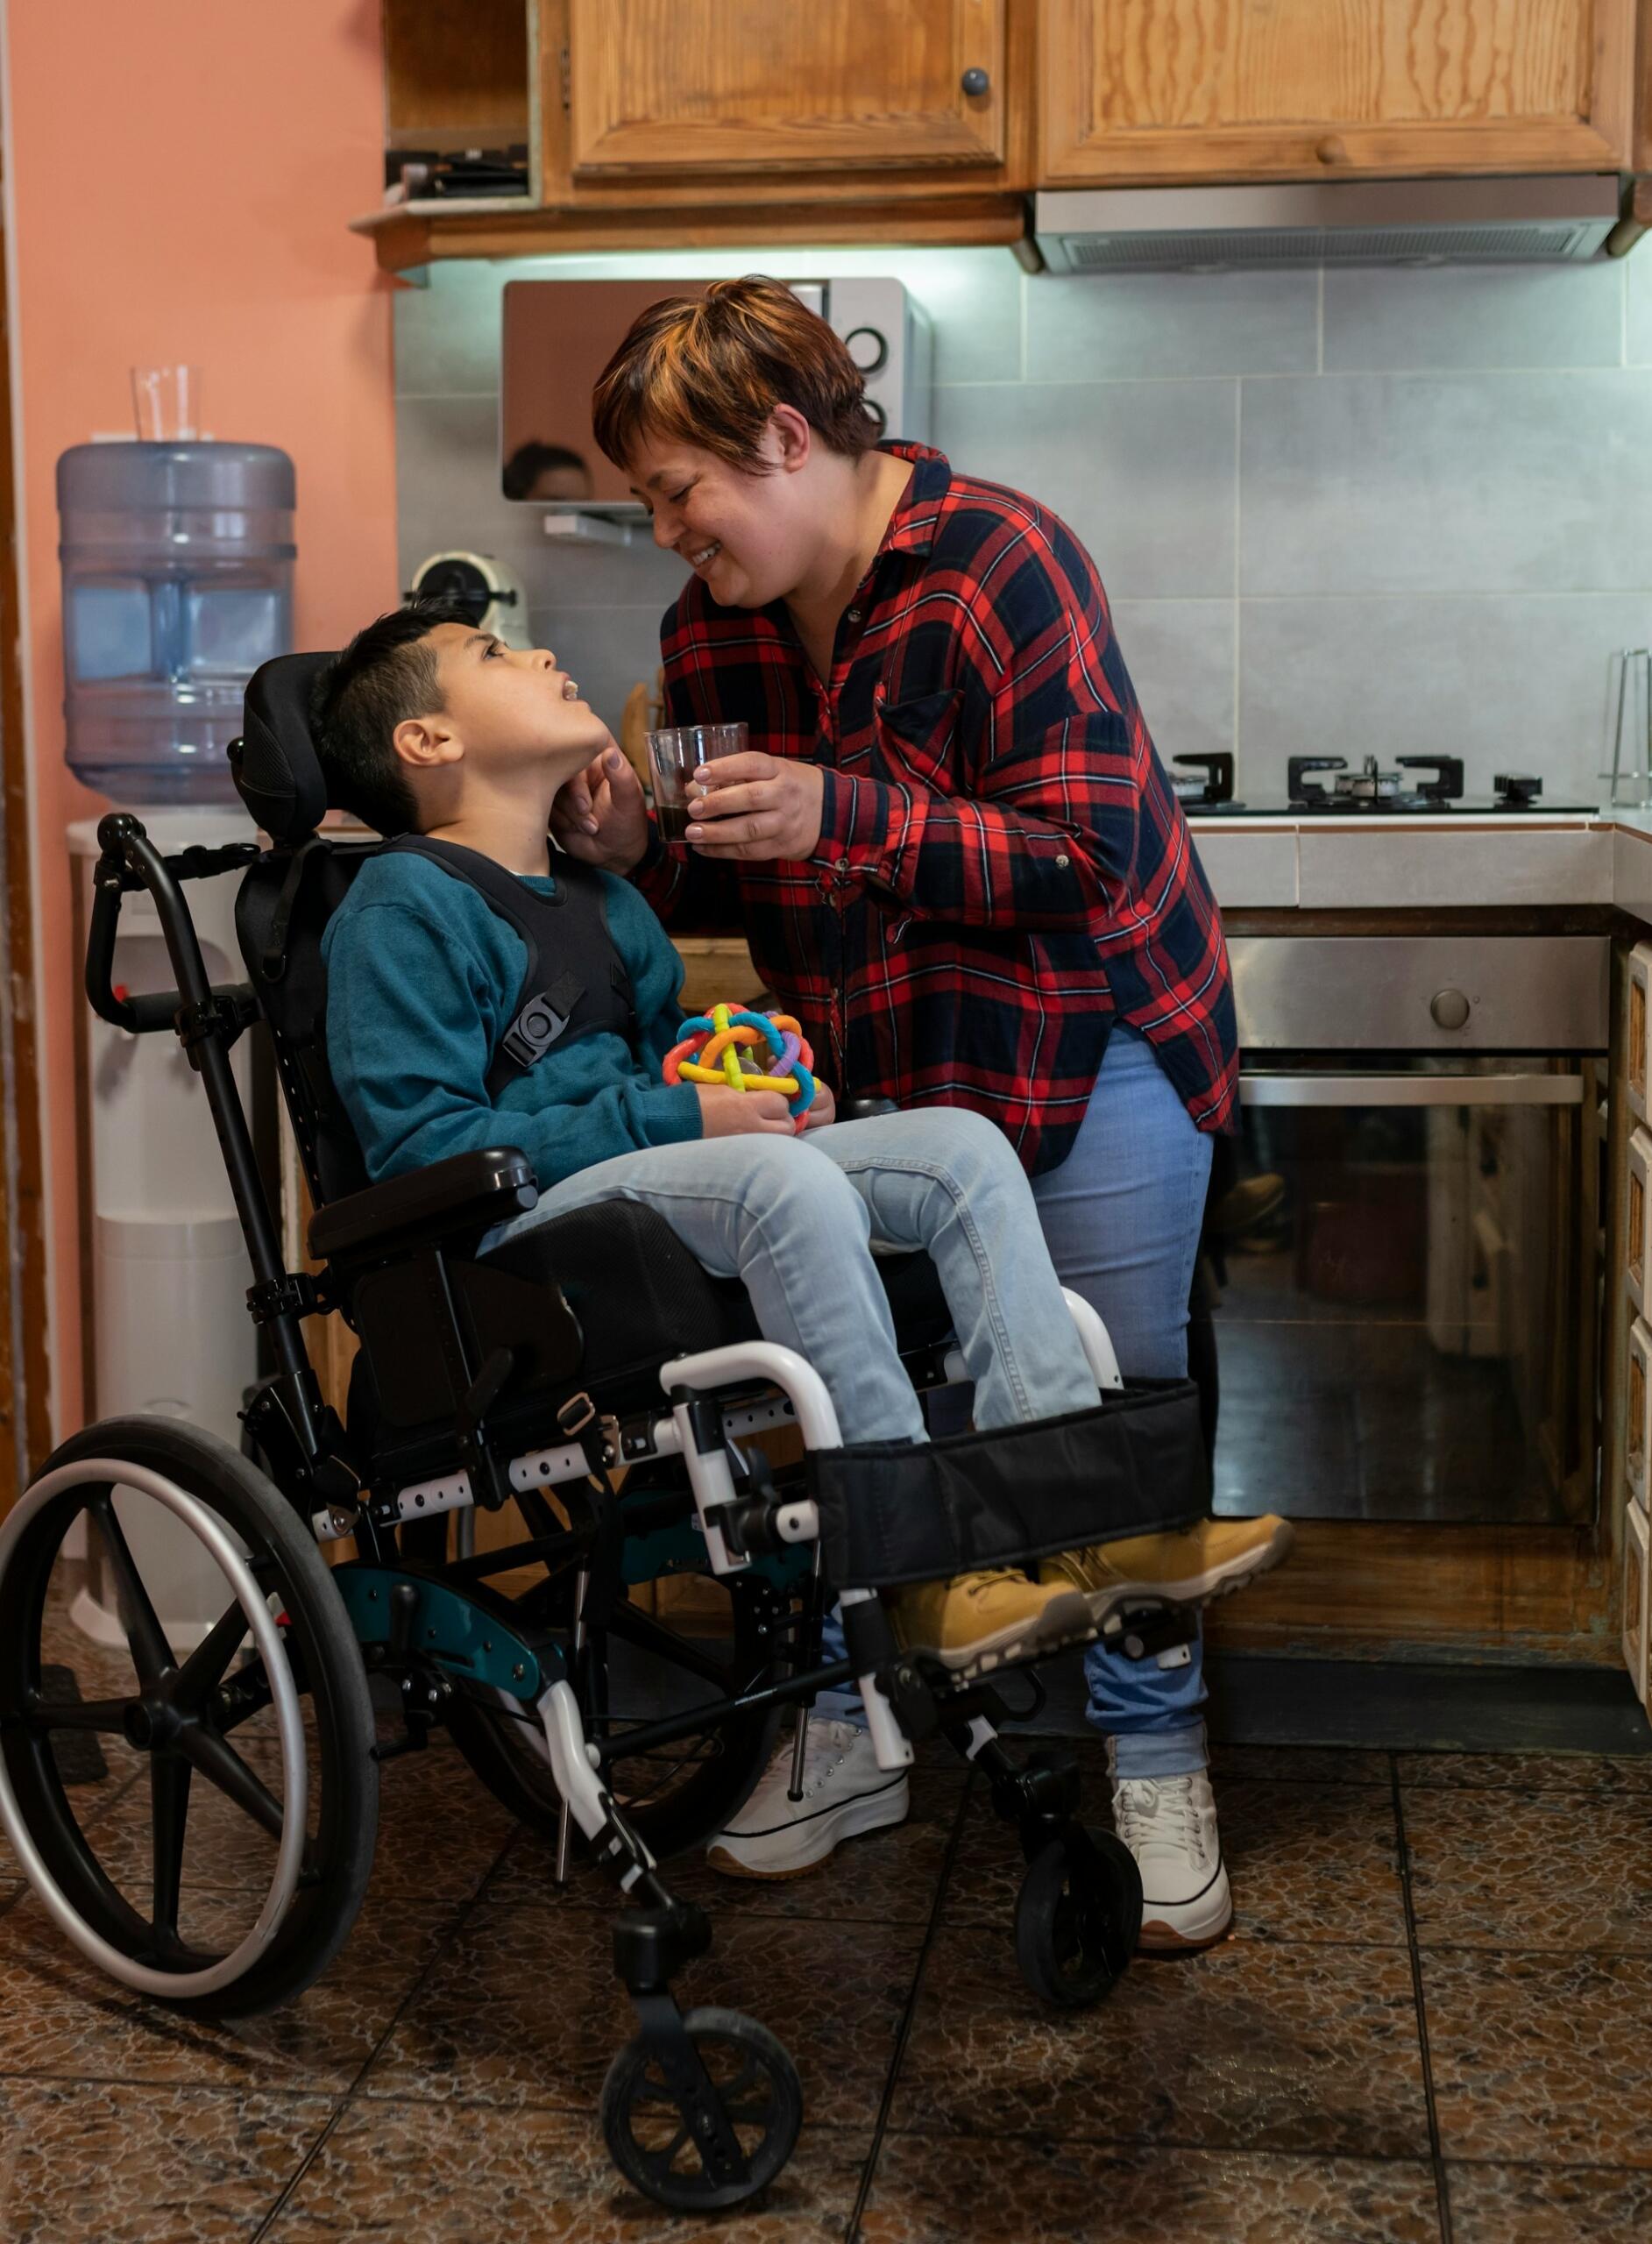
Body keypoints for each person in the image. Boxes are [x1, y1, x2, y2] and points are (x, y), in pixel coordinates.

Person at [311, 601, 1286, 1882]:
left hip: (656, 1178)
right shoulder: (399, 906)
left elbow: (665, 1056)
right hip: (515, 1243)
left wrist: (752, 1075)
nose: (545, 652)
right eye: (494, 655)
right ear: (429, 738)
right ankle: (917, 1565)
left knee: (953, 1148)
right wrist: (681, 1113)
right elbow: (422, 1147)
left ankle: (1082, 1520)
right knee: (782, 1184)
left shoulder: (601, 898)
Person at [549, 276, 1286, 1948]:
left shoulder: (1000, 561)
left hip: (1085, 1041)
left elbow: (1080, 858)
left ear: (789, 440)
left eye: (678, 491)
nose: (666, 530)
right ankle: (848, 1737)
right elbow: (723, 847)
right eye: (649, 500)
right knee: (837, 1405)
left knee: (1105, 1407)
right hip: (886, 1069)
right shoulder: (713, 626)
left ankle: (1155, 1773)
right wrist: (630, 849)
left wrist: (842, 810)